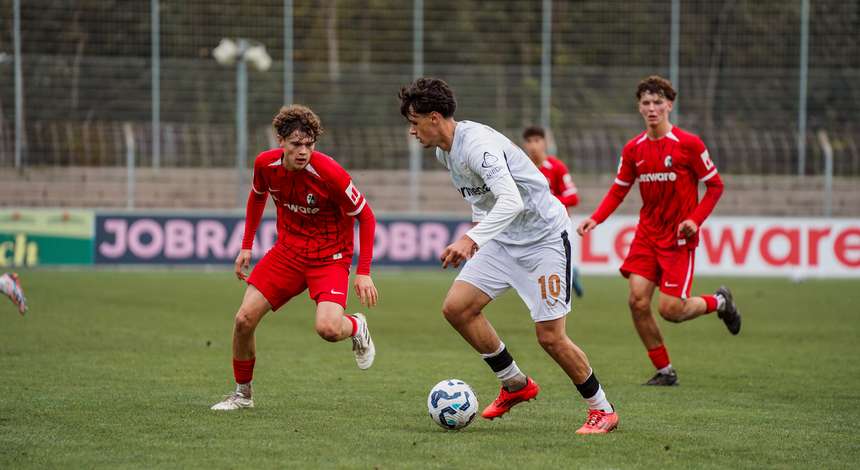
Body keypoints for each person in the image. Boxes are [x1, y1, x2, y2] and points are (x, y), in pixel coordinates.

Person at [399, 77, 618, 434]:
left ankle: (602, 409)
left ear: (434, 117)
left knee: (550, 337)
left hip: (544, 238)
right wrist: (479, 237)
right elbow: (482, 201)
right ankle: (515, 383)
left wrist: (471, 239)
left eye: (414, 121)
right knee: (457, 308)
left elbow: (512, 200)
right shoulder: (444, 152)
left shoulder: (477, 146)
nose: (412, 130)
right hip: (503, 239)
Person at [211, 105, 379, 411]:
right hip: (288, 252)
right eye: (296, 144)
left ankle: (356, 327)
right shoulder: (265, 164)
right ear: (281, 141)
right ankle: (242, 395)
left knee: (328, 329)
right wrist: (246, 245)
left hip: (330, 257)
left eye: (309, 145)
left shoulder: (330, 173)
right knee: (244, 320)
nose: (303, 152)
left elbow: (366, 217)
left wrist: (363, 271)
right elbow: (257, 196)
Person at [576, 75, 741, 386]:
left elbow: (715, 186)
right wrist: (596, 218)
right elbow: (618, 190)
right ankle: (665, 371)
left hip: (679, 239)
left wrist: (695, 219)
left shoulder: (688, 145)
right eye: (646, 103)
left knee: (671, 310)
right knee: (637, 301)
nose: (652, 108)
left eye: (657, 103)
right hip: (647, 236)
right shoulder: (633, 149)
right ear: (639, 108)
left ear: (670, 105)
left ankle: (720, 302)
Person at [522, 125, 584, 297]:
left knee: (550, 269)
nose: (533, 145)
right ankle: (572, 271)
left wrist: (547, 203)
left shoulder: (556, 167)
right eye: (529, 141)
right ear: (524, 145)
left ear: (545, 143)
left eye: (537, 140)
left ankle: (569, 274)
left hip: (556, 226)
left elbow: (573, 198)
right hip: (530, 226)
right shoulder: (521, 167)